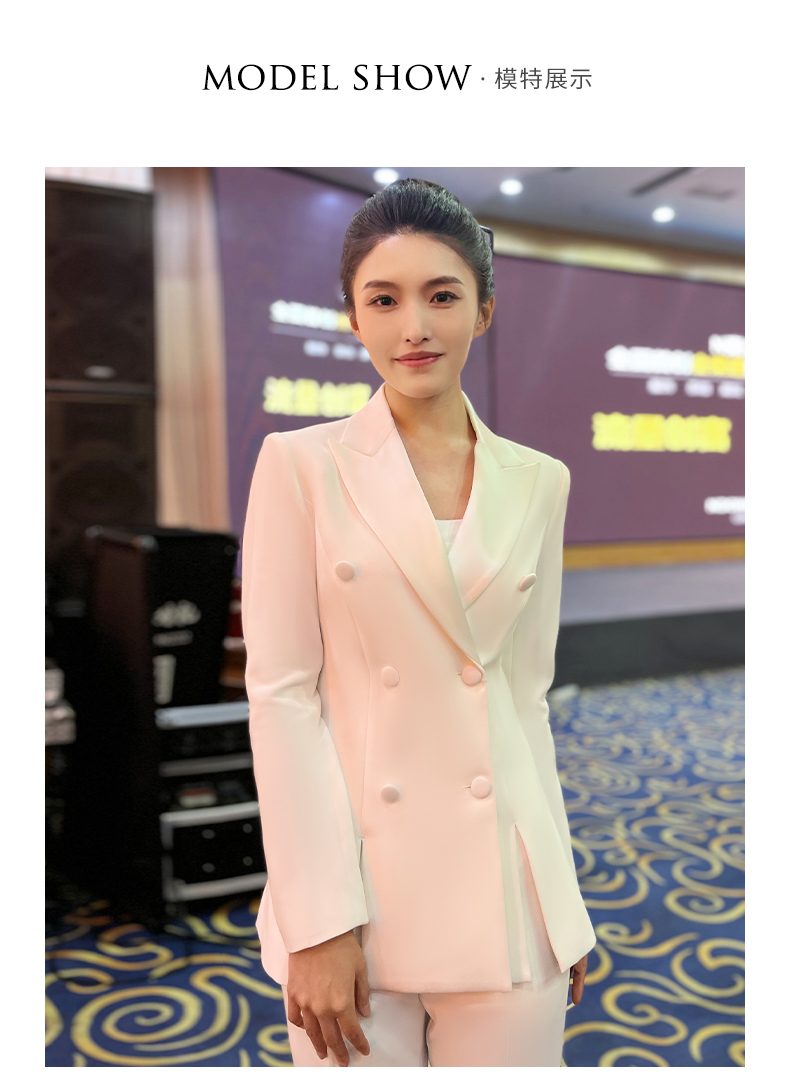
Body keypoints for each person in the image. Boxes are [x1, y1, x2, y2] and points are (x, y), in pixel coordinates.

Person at [241, 178, 596, 1067]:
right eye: (384, 300)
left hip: (507, 891)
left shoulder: (540, 480)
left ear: (483, 312)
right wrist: (317, 922)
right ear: (353, 319)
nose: (415, 328)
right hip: (359, 893)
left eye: (442, 296)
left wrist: (560, 897)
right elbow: (282, 700)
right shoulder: (300, 465)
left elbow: (525, 701)